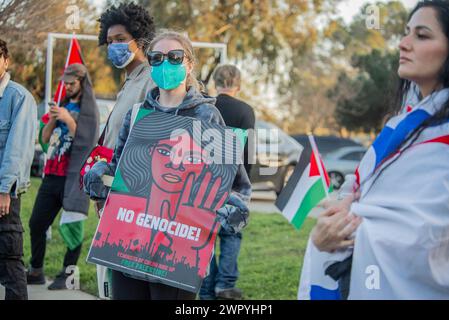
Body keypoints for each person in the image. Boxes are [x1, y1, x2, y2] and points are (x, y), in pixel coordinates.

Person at [84, 31, 252, 300]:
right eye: (157, 58)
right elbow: (118, 169)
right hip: (129, 246)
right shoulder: (137, 114)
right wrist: (100, 176)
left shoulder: (208, 116)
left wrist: (231, 209)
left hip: (177, 254)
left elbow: (235, 184)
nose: (166, 64)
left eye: (175, 57)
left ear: (190, 64)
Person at [307, 0, 449, 299]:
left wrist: (345, 228)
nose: (403, 43)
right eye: (406, 32)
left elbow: (429, 236)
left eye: (422, 36)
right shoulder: (402, 126)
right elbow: (362, 188)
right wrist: (338, 214)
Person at [27, 63, 99, 290]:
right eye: (65, 83)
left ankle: (68, 277)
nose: (67, 87)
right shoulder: (64, 105)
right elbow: (46, 139)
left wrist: (68, 119)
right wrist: (52, 118)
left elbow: (88, 140)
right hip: (52, 175)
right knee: (37, 222)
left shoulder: (90, 110)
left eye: (71, 83)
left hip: (74, 177)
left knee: (72, 228)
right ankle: (36, 270)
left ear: (81, 82)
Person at [200, 64, 255, 300]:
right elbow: (248, 153)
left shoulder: (205, 106)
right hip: (233, 182)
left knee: (207, 235)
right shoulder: (245, 111)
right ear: (239, 86)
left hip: (204, 183)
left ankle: (206, 288)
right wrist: (246, 183)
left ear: (215, 82)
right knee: (232, 233)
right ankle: (225, 284)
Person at [0, 39, 37, 300]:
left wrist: (4, 191)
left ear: (6, 60)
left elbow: (18, 148)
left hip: (3, 194)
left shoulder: (18, 97)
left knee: (9, 257)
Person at [98, 2, 155, 152]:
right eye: (109, 41)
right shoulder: (130, 80)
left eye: (120, 39)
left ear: (140, 42)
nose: (113, 46)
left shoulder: (152, 79)